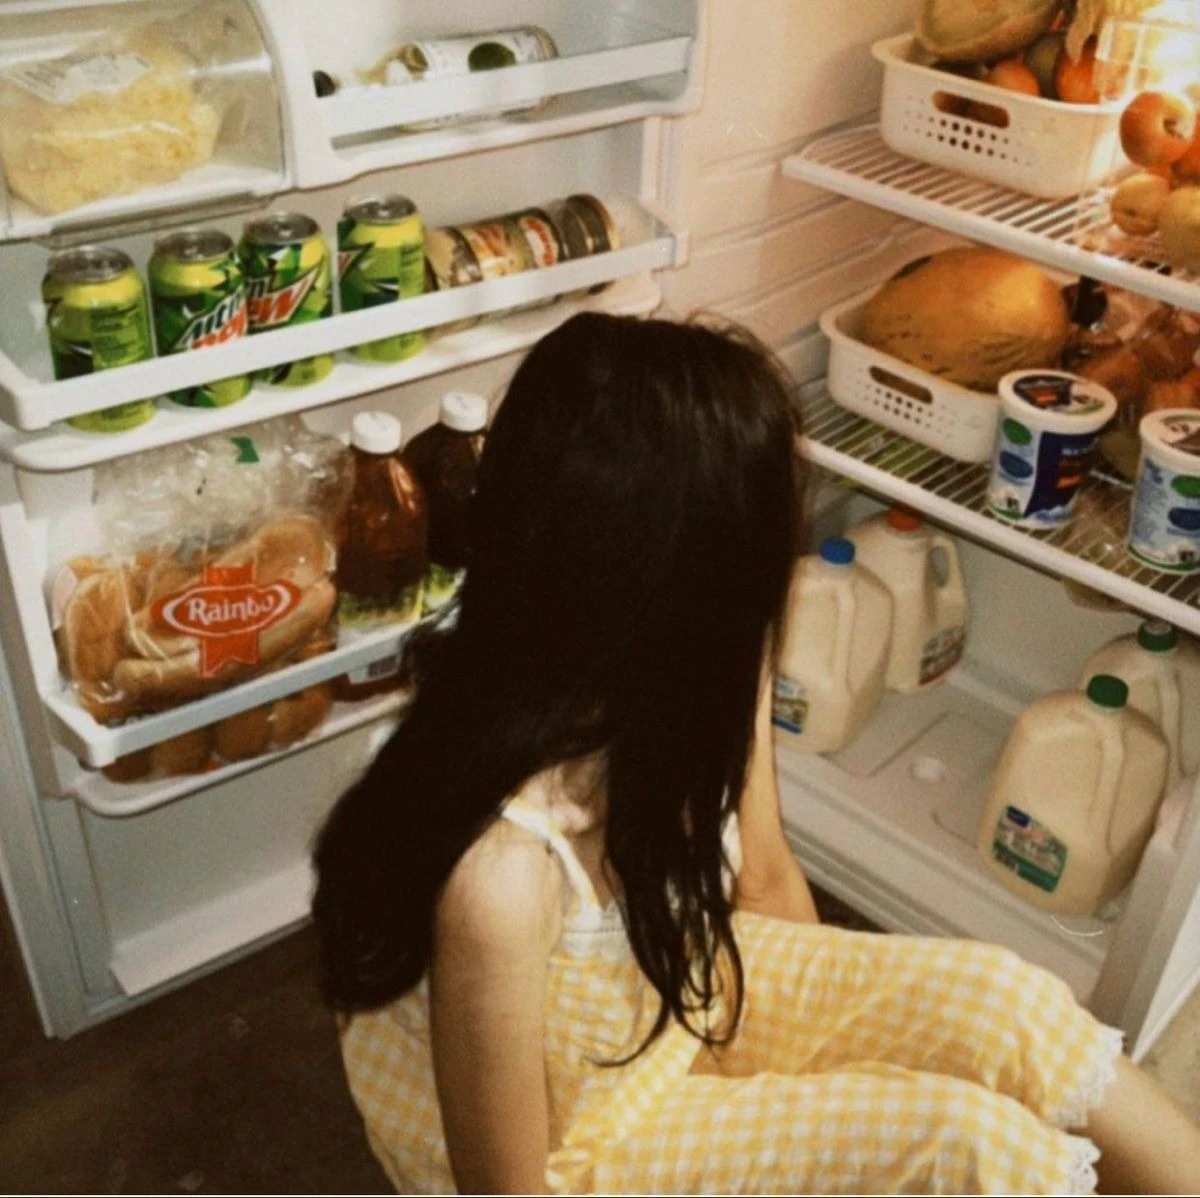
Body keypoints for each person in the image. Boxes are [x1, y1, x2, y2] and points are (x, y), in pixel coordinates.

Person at [312, 311, 1200, 1195]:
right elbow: (509, 1190)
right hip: (572, 1149)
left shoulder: (706, 682)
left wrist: (825, 1102)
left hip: (673, 1011)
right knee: (968, 1145)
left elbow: (766, 879)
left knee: (1011, 1008)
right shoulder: (500, 876)